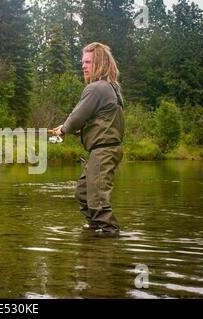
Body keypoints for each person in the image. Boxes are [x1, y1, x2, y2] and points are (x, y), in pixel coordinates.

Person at [52, 42, 124, 235]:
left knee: (97, 201)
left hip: (103, 151)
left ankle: (109, 235)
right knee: (83, 193)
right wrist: (71, 129)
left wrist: (64, 129)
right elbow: (99, 121)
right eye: (82, 62)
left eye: (88, 62)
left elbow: (77, 116)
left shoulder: (96, 88)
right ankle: (95, 231)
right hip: (104, 150)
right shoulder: (110, 88)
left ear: (100, 63)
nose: (83, 66)